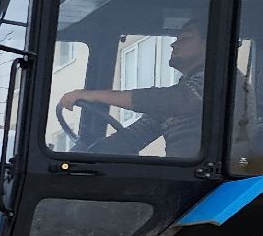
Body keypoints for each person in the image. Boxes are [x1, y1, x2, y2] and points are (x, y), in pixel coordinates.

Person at [57, 18, 210, 159]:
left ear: (208, 44)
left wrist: (95, 95)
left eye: (185, 38)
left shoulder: (217, 83)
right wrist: (89, 154)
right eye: (177, 39)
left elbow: (176, 99)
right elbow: (134, 136)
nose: (173, 44)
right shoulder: (174, 102)